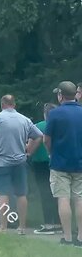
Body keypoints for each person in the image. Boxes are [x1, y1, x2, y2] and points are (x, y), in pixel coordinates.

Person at [0, 95, 42, 234]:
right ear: (14, 104)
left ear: (2, 104)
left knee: (3, 194)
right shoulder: (25, 120)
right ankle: (22, 227)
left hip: (1, 161)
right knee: (21, 194)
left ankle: (3, 227)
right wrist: (29, 151)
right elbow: (38, 136)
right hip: (19, 161)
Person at [44, 81, 82, 246]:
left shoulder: (55, 114)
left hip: (60, 162)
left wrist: (51, 153)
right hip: (80, 162)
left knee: (63, 198)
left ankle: (67, 237)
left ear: (60, 95)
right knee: (79, 199)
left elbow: (47, 139)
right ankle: (81, 237)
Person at [29, 103, 62, 234]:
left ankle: (48, 224)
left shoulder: (38, 126)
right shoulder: (60, 126)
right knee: (58, 193)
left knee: (45, 192)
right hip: (57, 162)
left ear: (44, 113)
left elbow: (31, 145)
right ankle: (60, 222)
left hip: (40, 163)